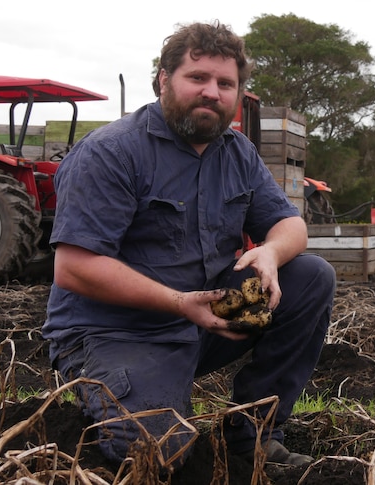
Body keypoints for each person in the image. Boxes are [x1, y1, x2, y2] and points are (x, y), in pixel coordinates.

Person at [41, 21, 336, 471]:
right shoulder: (112, 153)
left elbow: (290, 223)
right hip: (118, 331)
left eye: (225, 83)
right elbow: (75, 268)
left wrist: (273, 252)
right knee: (159, 453)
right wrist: (180, 304)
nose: (212, 93)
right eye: (197, 78)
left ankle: (252, 433)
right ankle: (113, 397)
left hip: (204, 316)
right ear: (163, 79)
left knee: (311, 276)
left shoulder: (236, 151)